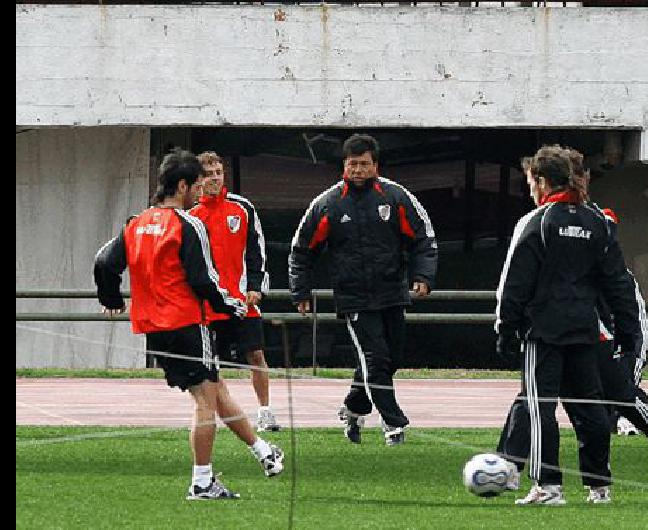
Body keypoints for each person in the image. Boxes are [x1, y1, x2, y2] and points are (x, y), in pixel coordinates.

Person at [94, 148, 284, 501]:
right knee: (204, 400)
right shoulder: (188, 223)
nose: (202, 190)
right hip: (186, 323)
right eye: (197, 184)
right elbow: (204, 280)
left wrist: (112, 300)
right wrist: (234, 306)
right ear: (182, 186)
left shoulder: (135, 223)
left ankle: (263, 452)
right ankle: (202, 481)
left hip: (153, 327)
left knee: (213, 387)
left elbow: (104, 262)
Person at [496, 149, 648, 493]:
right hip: (586, 329)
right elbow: (617, 282)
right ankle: (593, 486)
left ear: (542, 181)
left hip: (553, 331)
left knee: (549, 403)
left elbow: (514, 282)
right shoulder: (595, 222)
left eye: (530, 182)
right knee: (584, 407)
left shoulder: (540, 222)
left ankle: (547, 485)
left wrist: (505, 329)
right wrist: (626, 331)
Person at [288, 133, 437, 446]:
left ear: (375, 166)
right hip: (354, 296)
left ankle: (354, 407)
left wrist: (423, 275)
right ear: (344, 165)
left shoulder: (395, 197)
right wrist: (300, 291)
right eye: (352, 164)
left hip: (393, 292)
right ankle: (393, 424)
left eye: (364, 164)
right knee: (375, 357)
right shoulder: (328, 203)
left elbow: (424, 237)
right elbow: (302, 249)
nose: (358, 170)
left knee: (390, 358)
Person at [189, 151, 280, 433]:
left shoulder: (242, 208)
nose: (215, 178)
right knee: (210, 363)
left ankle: (265, 411)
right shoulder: (190, 215)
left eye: (219, 172)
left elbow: (257, 252)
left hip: (242, 301)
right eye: (208, 174)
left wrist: (255, 287)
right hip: (208, 304)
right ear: (197, 180)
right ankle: (213, 411)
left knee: (256, 355)